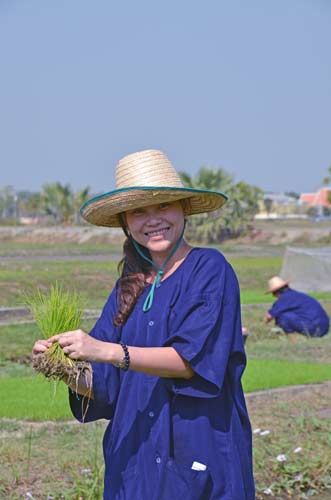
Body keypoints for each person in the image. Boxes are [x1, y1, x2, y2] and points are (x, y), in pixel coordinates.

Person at [33, 149, 255, 500]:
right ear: (125, 222)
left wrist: (104, 350)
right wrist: (64, 367)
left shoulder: (210, 269)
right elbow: (106, 383)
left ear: (183, 209)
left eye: (163, 206)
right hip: (135, 451)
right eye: (139, 210)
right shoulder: (128, 286)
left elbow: (188, 362)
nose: (152, 219)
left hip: (196, 445)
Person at [264, 276, 330, 338]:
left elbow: (268, 317)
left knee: (282, 317)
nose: (274, 296)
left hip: (314, 328)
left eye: (273, 294)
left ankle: (293, 342)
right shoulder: (297, 295)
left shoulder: (284, 299)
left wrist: (264, 324)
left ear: (277, 292)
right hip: (325, 328)